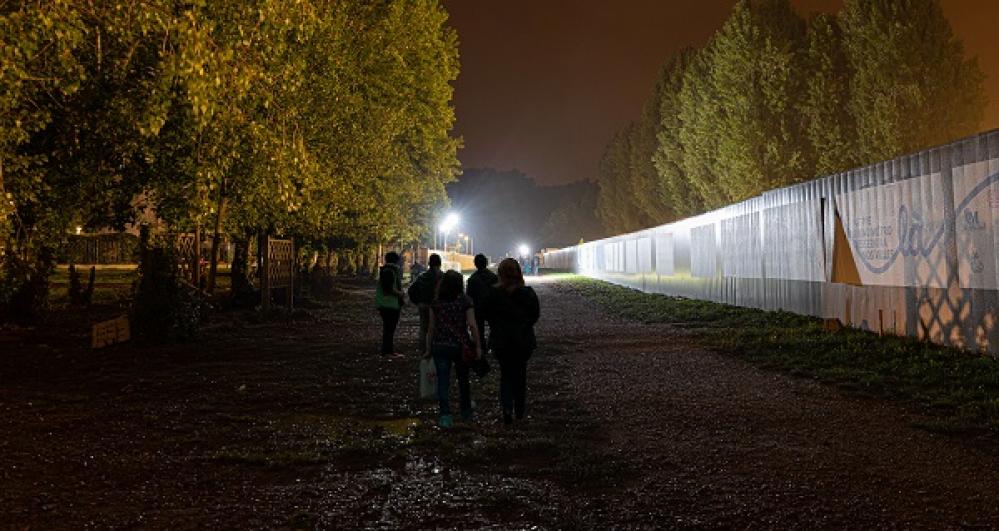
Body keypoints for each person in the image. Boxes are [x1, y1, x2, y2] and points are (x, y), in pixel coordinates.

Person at [481, 258, 540, 425]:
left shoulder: (493, 294)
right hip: (522, 340)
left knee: (505, 375)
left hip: (501, 341)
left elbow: (484, 314)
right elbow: (535, 315)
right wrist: (524, 326)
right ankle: (519, 411)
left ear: (500, 274)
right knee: (520, 375)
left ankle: (507, 409)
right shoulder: (527, 293)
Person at [426, 270, 482, 427]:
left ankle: (445, 415)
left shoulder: (436, 303)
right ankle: (466, 411)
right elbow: (472, 325)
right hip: (460, 347)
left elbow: (431, 328)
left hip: (440, 346)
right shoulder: (465, 301)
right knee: (463, 380)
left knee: (443, 382)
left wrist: (428, 348)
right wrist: (478, 346)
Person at [411, 253, 443, 356]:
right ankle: (434, 348)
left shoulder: (422, 276)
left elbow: (411, 290)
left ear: (429, 263)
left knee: (423, 327)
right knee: (436, 327)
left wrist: (418, 301)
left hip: (422, 305)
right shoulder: (441, 276)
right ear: (439, 263)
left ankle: (423, 349)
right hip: (436, 306)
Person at [375, 251, 405, 356]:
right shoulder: (390, 271)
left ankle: (388, 350)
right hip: (390, 304)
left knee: (388, 328)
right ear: (396, 261)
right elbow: (389, 289)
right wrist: (400, 293)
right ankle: (387, 351)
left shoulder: (386, 270)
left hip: (386, 304)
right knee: (389, 328)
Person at [465, 254, 497, 349]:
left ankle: (481, 346)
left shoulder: (472, 279)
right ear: (486, 263)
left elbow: (469, 295)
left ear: (475, 264)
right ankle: (493, 344)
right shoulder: (493, 277)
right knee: (494, 327)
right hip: (492, 307)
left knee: (479, 328)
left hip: (478, 308)